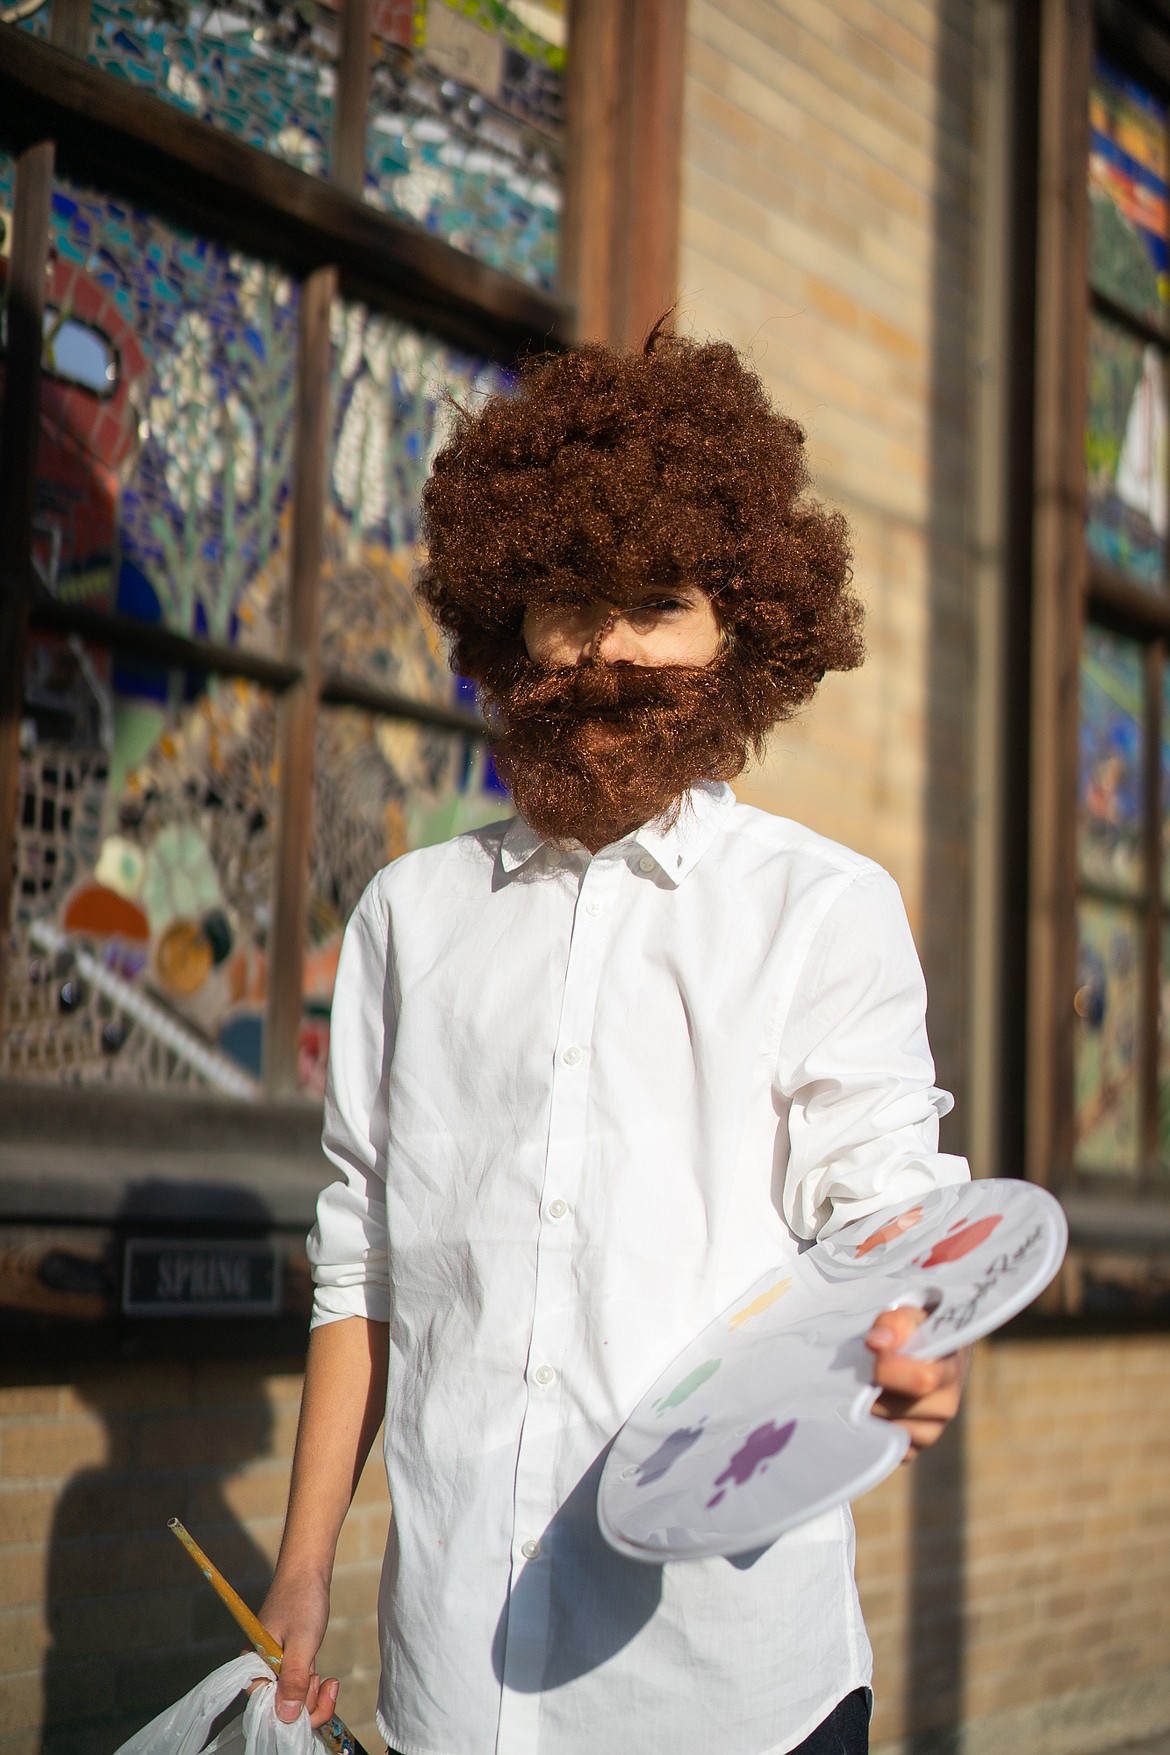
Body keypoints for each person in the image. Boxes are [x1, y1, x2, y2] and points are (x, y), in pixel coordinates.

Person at [259, 329, 970, 1755]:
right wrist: (301, 1566)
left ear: (741, 631)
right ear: (504, 620)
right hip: (453, 1670)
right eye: (568, 602)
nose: (608, 648)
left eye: (661, 601)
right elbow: (364, 1265)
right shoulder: (408, 917)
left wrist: (916, 1340)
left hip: (731, 1685)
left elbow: (885, 1219)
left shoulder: (820, 909)